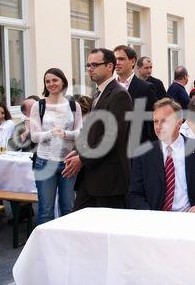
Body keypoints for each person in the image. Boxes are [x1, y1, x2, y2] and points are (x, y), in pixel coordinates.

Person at [62, 48, 133, 210]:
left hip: (109, 178)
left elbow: (111, 137)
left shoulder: (119, 95)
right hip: (91, 175)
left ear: (110, 66)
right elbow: (91, 132)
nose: (90, 69)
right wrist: (78, 151)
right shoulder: (98, 94)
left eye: (95, 65)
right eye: (88, 65)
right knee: (80, 224)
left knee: (106, 229)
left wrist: (82, 159)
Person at [129, 98, 195, 212]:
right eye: (155, 121)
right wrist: (149, 215)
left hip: (192, 218)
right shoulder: (143, 154)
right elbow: (134, 193)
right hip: (156, 219)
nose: (158, 127)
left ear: (179, 122)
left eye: (164, 121)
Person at [29, 68, 82, 224]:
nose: (51, 84)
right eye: (47, 81)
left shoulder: (74, 105)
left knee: (69, 208)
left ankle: (68, 246)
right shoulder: (38, 106)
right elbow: (34, 136)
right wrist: (51, 133)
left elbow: (80, 132)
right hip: (45, 162)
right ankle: (45, 247)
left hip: (68, 161)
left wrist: (66, 134)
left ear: (62, 81)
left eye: (54, 80)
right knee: (45, 210)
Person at [114, 45, 157, 144]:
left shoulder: (145, 88)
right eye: (115, 59)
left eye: (121, 59)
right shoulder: (109, 88)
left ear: (132, 61)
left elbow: (152, 120)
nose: (117, 63)